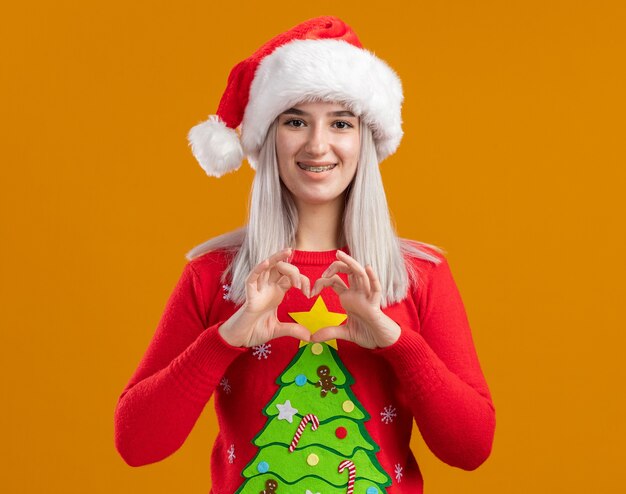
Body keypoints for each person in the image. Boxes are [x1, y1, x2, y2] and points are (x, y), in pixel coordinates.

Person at [114, 16, 495, 493]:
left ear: (365, 139)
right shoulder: (216, 276)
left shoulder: (420, 276)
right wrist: (227, 338)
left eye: (341, 122)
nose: (318, 145)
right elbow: (136, 443)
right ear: (271, 137)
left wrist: (394, 341)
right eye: (296, 121)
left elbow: (471, 448)